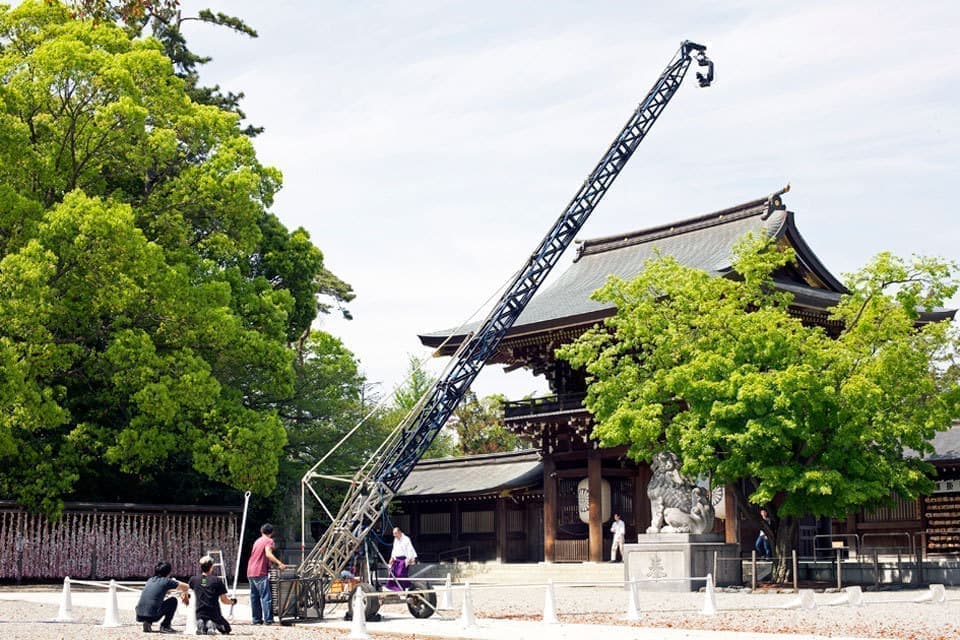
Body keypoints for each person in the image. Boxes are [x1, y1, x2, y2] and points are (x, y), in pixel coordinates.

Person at [246, 523, 287, 625]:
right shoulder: (269, 541)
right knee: (265, 596)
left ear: (261, 531)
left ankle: (256, 619)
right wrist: (279, 563)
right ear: (272, 533)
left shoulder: (257, 541)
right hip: (260, 571)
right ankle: (268, 619)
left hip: (250, 570)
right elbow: (268, 554)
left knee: (255, 597)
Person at [135, 561, 189, 634]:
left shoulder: (150, 580)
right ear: (168, 572)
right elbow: (186, 586)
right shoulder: (167, 581)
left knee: (153, 604)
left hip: (139, 615)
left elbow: (160, 590)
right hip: (153, 615)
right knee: (173, 601)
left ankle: (148, 622)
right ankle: (165, 626)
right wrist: (185, 593)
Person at [189, 555, 237, 635]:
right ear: (211, 567)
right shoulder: (217, 580)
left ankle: (203, 624)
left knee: (203, 622)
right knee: (227, 629)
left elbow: (189, 591)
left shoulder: (193, 580)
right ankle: (212, 624)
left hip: (200, 612)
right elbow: (224, 600)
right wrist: (232, 602)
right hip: (214, 612)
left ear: (201, 567)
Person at [385, 526, 417, 591]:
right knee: (393, 573)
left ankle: (403, 588)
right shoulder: (395, 539)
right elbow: (394, 549)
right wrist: (392, 558)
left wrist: (410, 558)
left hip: (403, 559)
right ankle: (394, 588)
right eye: (393, 534)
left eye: (395, 533)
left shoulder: (406, 539)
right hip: (396, 559)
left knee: (400, 574)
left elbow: (410, 549)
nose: (394, 535)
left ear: (399, 532)